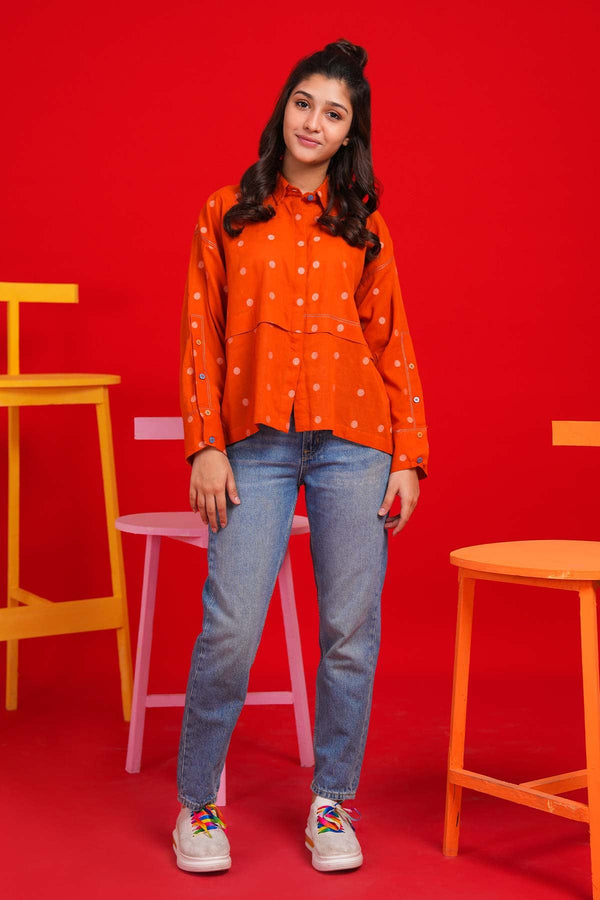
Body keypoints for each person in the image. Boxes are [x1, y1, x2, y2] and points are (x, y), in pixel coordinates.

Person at [174, 37, 429, 874]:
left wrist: (408, 456)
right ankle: (199, 804)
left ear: (351, 132)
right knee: (230, 627)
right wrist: (205, 445)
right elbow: (202, 334)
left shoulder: (364, 227)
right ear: (283, 108)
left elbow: (391, 343)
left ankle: (332, 803)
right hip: (254, 444)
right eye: (304, 103)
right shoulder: (226, 212)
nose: (314, 122)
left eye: (334, 113)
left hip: (356, 445)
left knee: (350, 631)